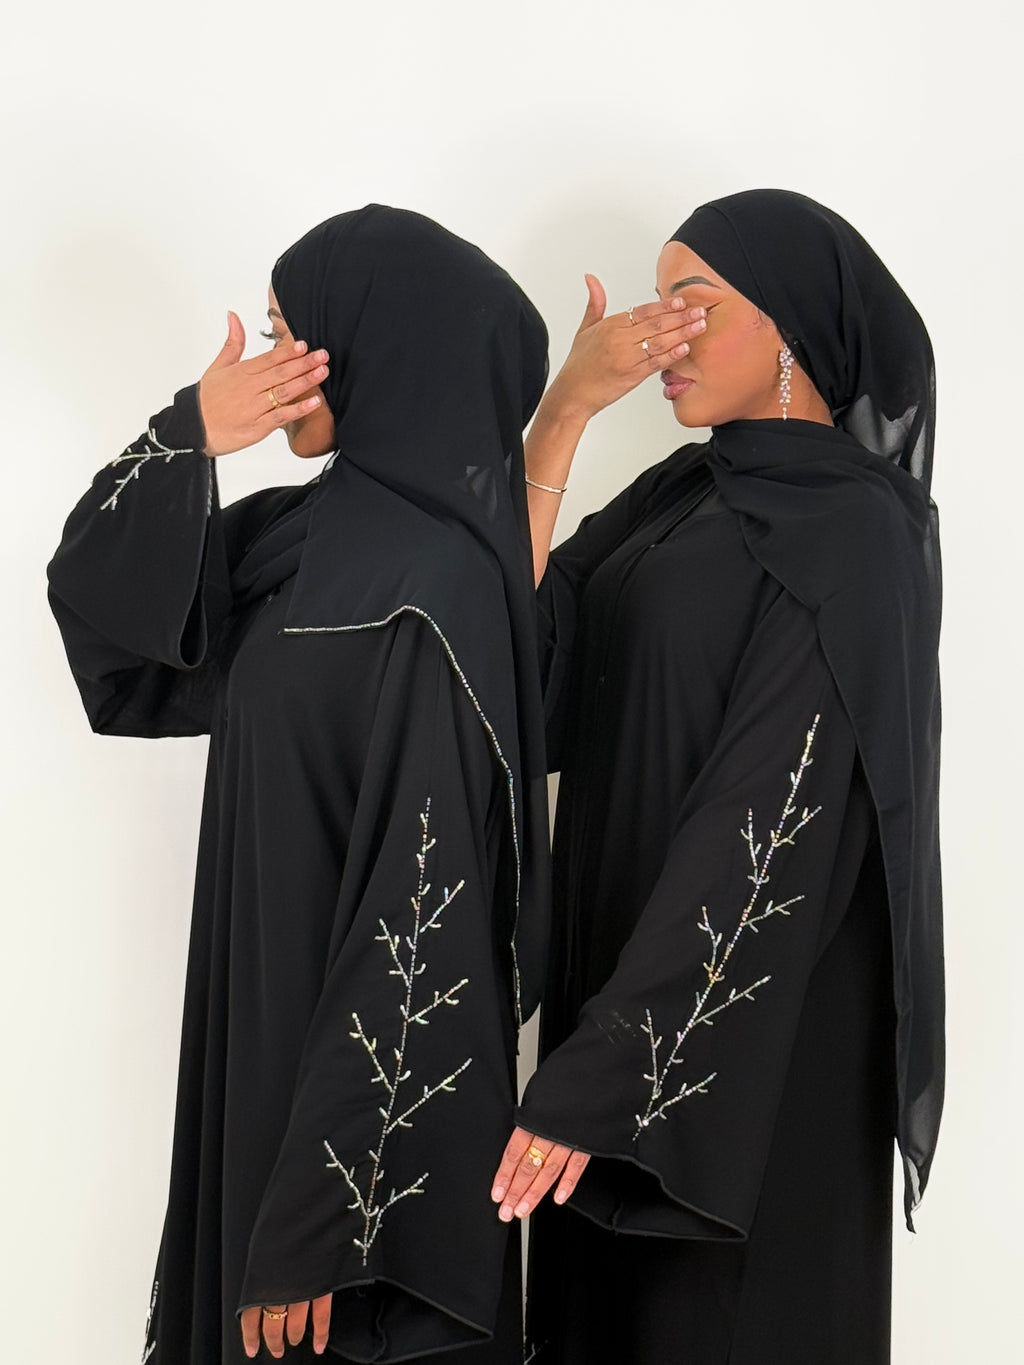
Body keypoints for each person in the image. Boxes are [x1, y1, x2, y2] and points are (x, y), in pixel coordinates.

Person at [48, 206, 551, 1365]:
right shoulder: (294, 539)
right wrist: (188, 434)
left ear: (379, 345)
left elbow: (418, 919)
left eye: (290, 335)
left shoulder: (441, 589)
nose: (271, 363)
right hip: (256, 1036)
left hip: (337, 1100)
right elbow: (103, 621)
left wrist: (327, 1212)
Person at [491, 189, 943, 1363]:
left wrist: (612, 1063)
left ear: (789, 326)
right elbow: (508, 654)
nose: (664, 334)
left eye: (696, 302)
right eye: (657, 303)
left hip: (747, 1045)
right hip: (617, 1001)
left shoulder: (856, 530)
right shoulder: (672, 499)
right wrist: (563, 414)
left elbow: (773, 811)